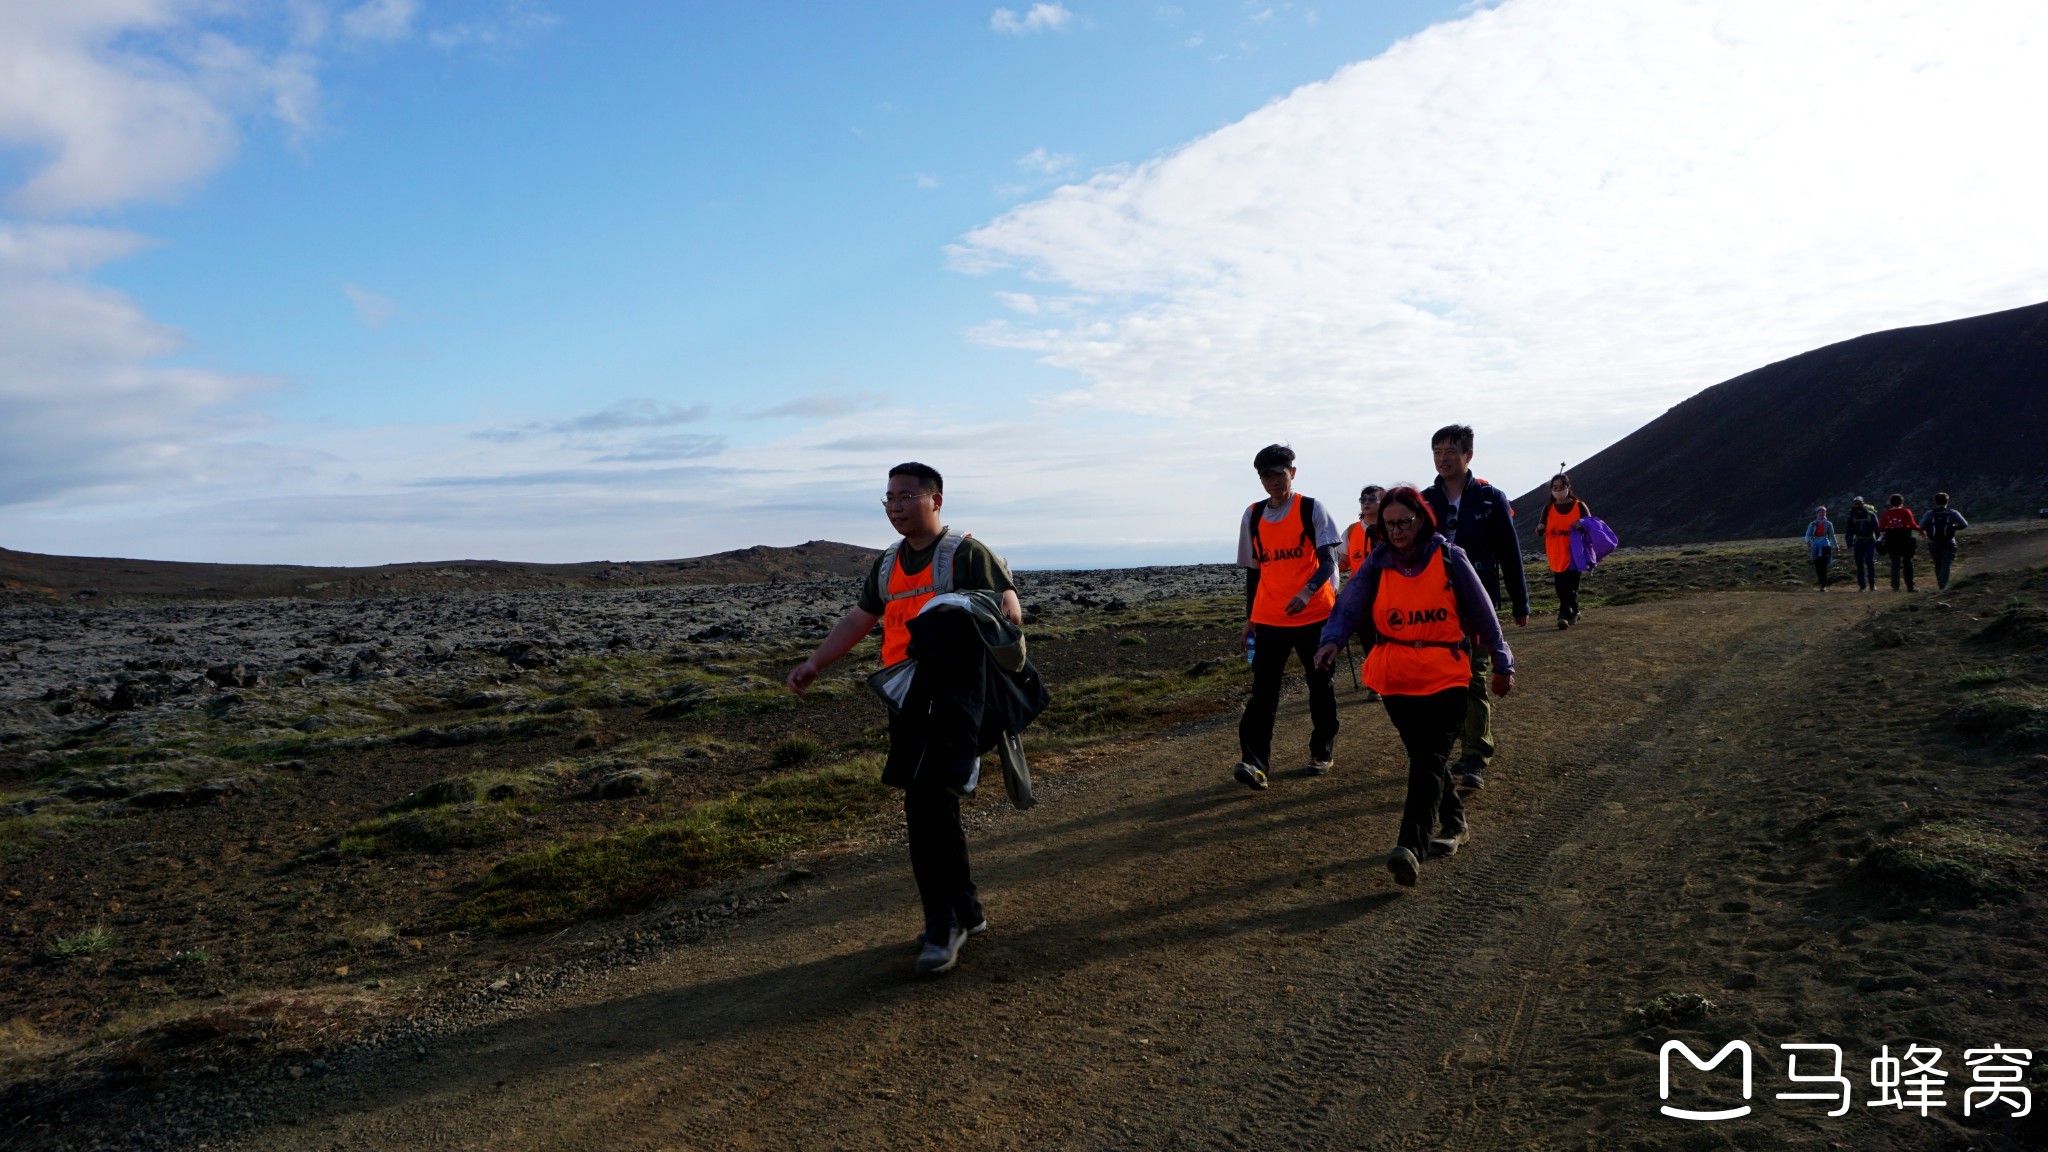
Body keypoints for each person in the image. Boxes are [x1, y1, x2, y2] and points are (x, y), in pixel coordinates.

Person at [786, 462, 1023, 976]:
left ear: (936, 500)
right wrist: (816, 662)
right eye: (889, 497)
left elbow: (1010, 611)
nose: (895, 505)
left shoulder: (966, 552)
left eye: (907, 496)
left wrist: (959, 618)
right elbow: (860, 618)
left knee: (925, 809)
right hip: (908, 699)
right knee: (935, 808)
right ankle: (967, 912)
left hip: (957, 700)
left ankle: (945, 927)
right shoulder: (888, 561)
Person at [1314, 486, 1514, 887]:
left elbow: (1482, 610)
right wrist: (1331, 640)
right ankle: (1455, 823)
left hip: (1446, 672)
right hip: (1396, 675)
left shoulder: (1449, 558)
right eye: (1389, 525)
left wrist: (1501, 659)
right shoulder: (1377, 563)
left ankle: (1410, 845)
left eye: (1404, 522)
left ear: (1421, 519)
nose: (1397, 530)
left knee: (1428, 757)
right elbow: (1350, 603)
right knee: (1427, 758)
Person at [1421, 425, 1528, 792]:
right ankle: (1447, 748)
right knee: (1440, 680)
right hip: (1433, 604)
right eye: (1437, 451)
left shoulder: (1490, 498)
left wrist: (1520, 601)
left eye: (1450, 450)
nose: (1443, 457)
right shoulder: (1424, 501)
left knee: (1472, 675)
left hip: (1476, 602)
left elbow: (1510, 553)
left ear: (1468, 455)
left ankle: (1475, 756)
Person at [1234, 444, 1343, 788]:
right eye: (1266, 476)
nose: (1273, 481)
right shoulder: (1252, 515)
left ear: (1292, 473)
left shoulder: (1311, 509)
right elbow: (1254, 571)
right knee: (1263, 693)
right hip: (1270, 619)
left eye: (1279, 474)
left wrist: (1306, 591)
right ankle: (1255, 764)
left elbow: (1328, 561)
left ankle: (1321, 751)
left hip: (1314, 616)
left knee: (1319, 685)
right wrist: (1250, 617)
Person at [1541, 471, 1592, 628]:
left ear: (1568, 487)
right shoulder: (1549, 508)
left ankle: (1563, 615)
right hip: (1556, 553)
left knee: (1570, 584)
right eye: (1554, 487)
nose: (1557, 490)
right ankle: (1574, 612)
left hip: (1575, 552)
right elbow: (1540, 528)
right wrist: (1540, 528)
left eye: (1561, 487)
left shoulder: (1579, 506)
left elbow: (1591, 525)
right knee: (1560, 586)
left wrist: (1582, 525)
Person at [1922, 492, 1969, 590]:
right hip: (1949, 541)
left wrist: (1929, 530)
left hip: (1933, 541)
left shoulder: (1929, 513)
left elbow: (1921, 526)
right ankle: (1943, 583)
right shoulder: (1953, 512)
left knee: (1938, 563)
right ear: (1947, 501)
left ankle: (1940, 582)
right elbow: (1964, 524)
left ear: (1935, 502)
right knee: (1946, 563)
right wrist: (1952, 528)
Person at [1878, 493, 1921, 592]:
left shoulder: (1886, 513)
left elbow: (1881, 528)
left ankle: (1895, 586)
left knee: (1895, 563)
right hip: (1905, 539)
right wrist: (1921, 530)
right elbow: (1912, 524)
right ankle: (1910, 586)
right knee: (1907, 562)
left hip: (1891, 540)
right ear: (1902, 502)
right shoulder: (1906, 511)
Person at [1345, 485, 1385, 578]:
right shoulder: (1351, 529)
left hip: (1384, 586)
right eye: (1363, 499)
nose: (1366, 502)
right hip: (1357, 588)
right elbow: (1344, 560)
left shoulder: (1391, 529)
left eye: (1372, 499)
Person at [1844, 497, 1880, 591]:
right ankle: (1862, 585)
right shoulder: (1852, 517)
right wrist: (1849, 545)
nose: (1858, 505)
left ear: (1863, 503)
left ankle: (1872, 584)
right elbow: (1849, 532)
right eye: (1856, 503)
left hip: (1869, 541)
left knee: (1869, 561)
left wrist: (1879, 542)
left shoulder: (1871, 515)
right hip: (1858, 542)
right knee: (1859, 564)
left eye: (1859, 503)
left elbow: (1877, 530)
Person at [1803, 506, 1837, 591]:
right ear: (1817, 514)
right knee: (1818, 565)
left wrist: (1836, 546)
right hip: (1816, 546)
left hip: (1825, 545)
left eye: (1823, 512)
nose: (1822, 514)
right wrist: (1808, 541)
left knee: (1824, 565)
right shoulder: (1812, 524)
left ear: (1825, 513)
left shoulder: (1829, 524)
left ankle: (1823, 585)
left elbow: (1832, 536)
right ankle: (1821, 583)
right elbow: (1807, 534)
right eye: (1820, 512)